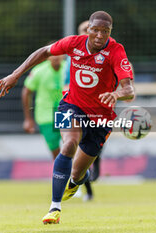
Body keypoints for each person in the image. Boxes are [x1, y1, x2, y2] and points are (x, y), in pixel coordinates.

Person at [0, 11, 134, 224]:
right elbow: (44, 51)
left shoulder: (116, 51)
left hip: (101, 116)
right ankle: (54, 208)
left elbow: (129, 90)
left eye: (104, 31)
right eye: (95, 30)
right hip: (71, 105)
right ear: (88, 30)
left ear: (110, 32)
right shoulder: (73, 43)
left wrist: (115, 94)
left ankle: (80, 179)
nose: (99, 35)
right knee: (68, 144)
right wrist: (16, 74)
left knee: (77, 175)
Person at [63, 20, 97, 202]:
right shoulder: (71, 57)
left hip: (99, 111)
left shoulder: (108, 53)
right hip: (75, 108)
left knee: (90, 150)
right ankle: (82, 188)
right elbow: (65, 84)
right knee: (71, 146)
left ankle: (84, 177)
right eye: (84, 30)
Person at [21, 51, 65, 159]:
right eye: (53, 55)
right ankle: (62, 173)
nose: (56, 57)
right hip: (46, 115)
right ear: (47, 57)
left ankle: (75, 172)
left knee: (71, 144)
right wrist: (28, 119)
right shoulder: (38, 71)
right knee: (55, 149)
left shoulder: (69, 69)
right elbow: (26, 92)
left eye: (59, 54)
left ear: (63, 55)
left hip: (65, 113)